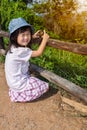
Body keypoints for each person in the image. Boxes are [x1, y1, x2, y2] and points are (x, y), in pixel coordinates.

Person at [5, 17, 49, 102]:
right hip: (19, 84)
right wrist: (45, 40)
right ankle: (25, 94)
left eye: (28, 34)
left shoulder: (13, 47)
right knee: (45, 87)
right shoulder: (21, 51)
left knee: (32, 78)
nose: (26, 38)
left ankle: (19, 94)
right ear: (15, 37)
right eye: (23, 35)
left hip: (13, 84)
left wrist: (32, 37)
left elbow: (22, 40)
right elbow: (38, 52)